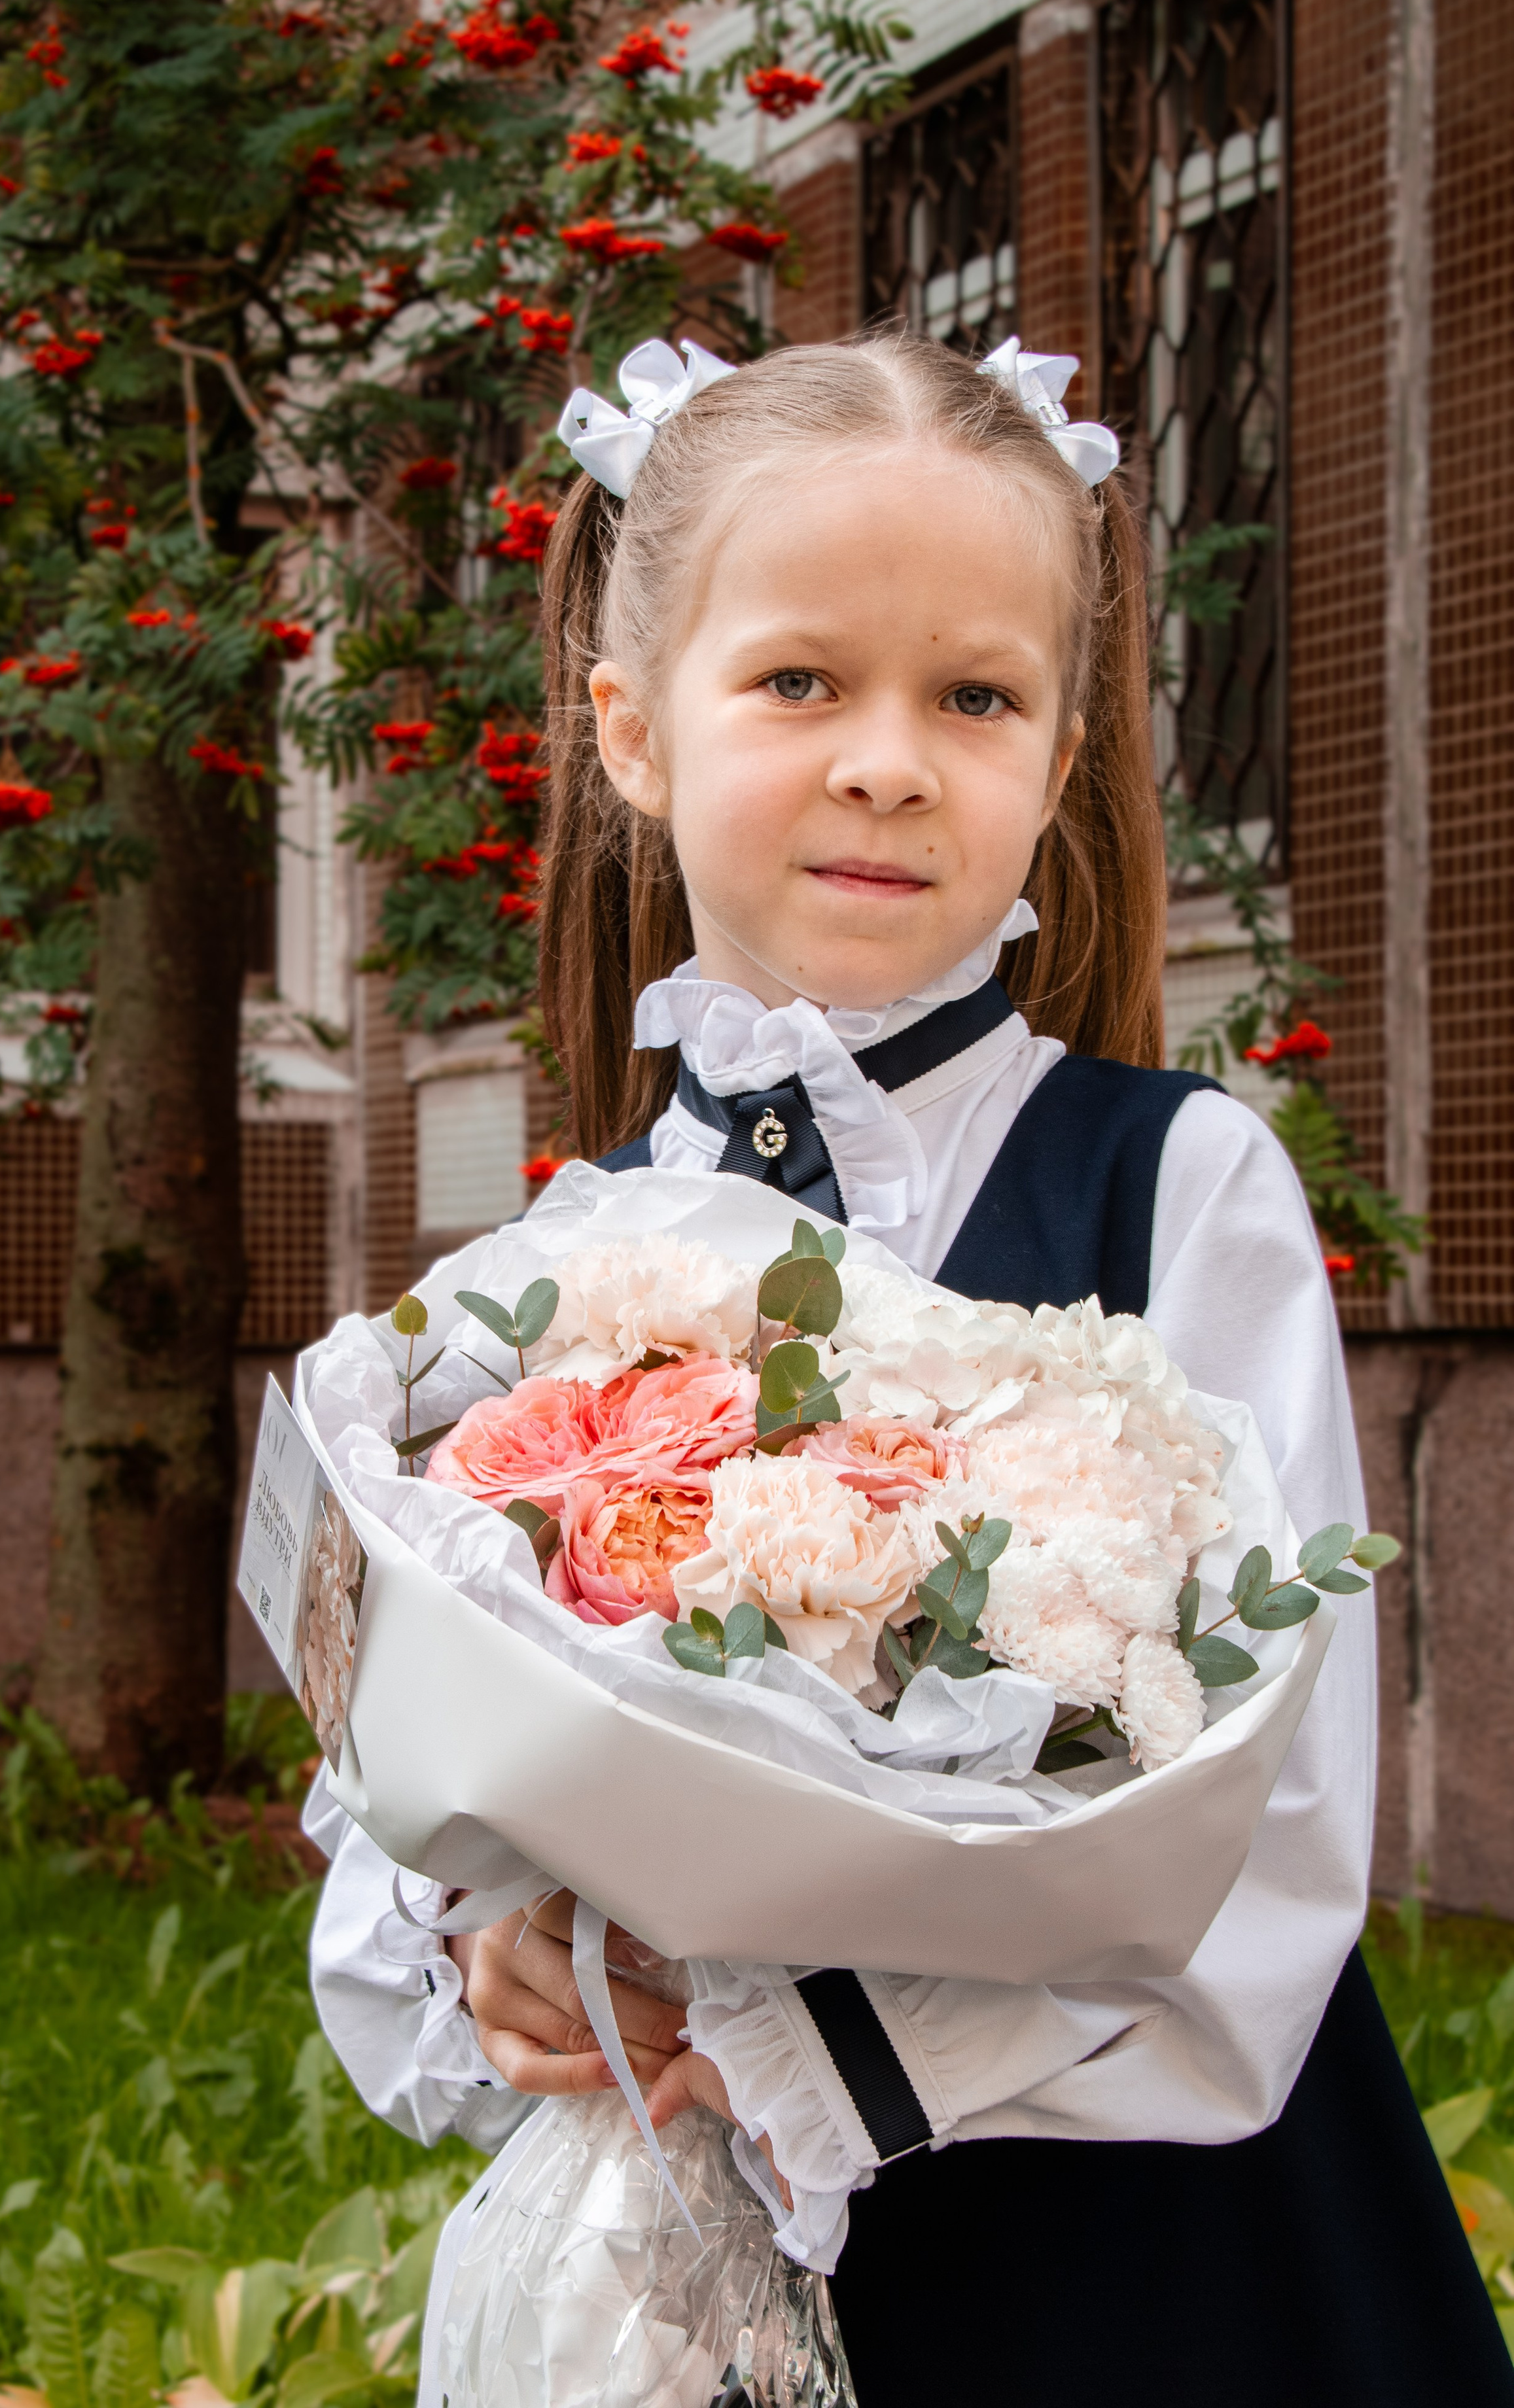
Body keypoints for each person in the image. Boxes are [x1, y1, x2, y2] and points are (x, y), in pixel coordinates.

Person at [305, 330, 1511, 2401]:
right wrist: (487, 1958)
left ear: (1057, 759)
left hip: (1152, 2278)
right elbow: (398, 1796)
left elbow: (1277, 1835)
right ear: (631, 727)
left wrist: (809, 2048)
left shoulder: (1172, 1186)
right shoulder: (544, 1266)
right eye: (799, 681)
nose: (888, 760)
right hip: (677, 2278)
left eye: (974, 694)